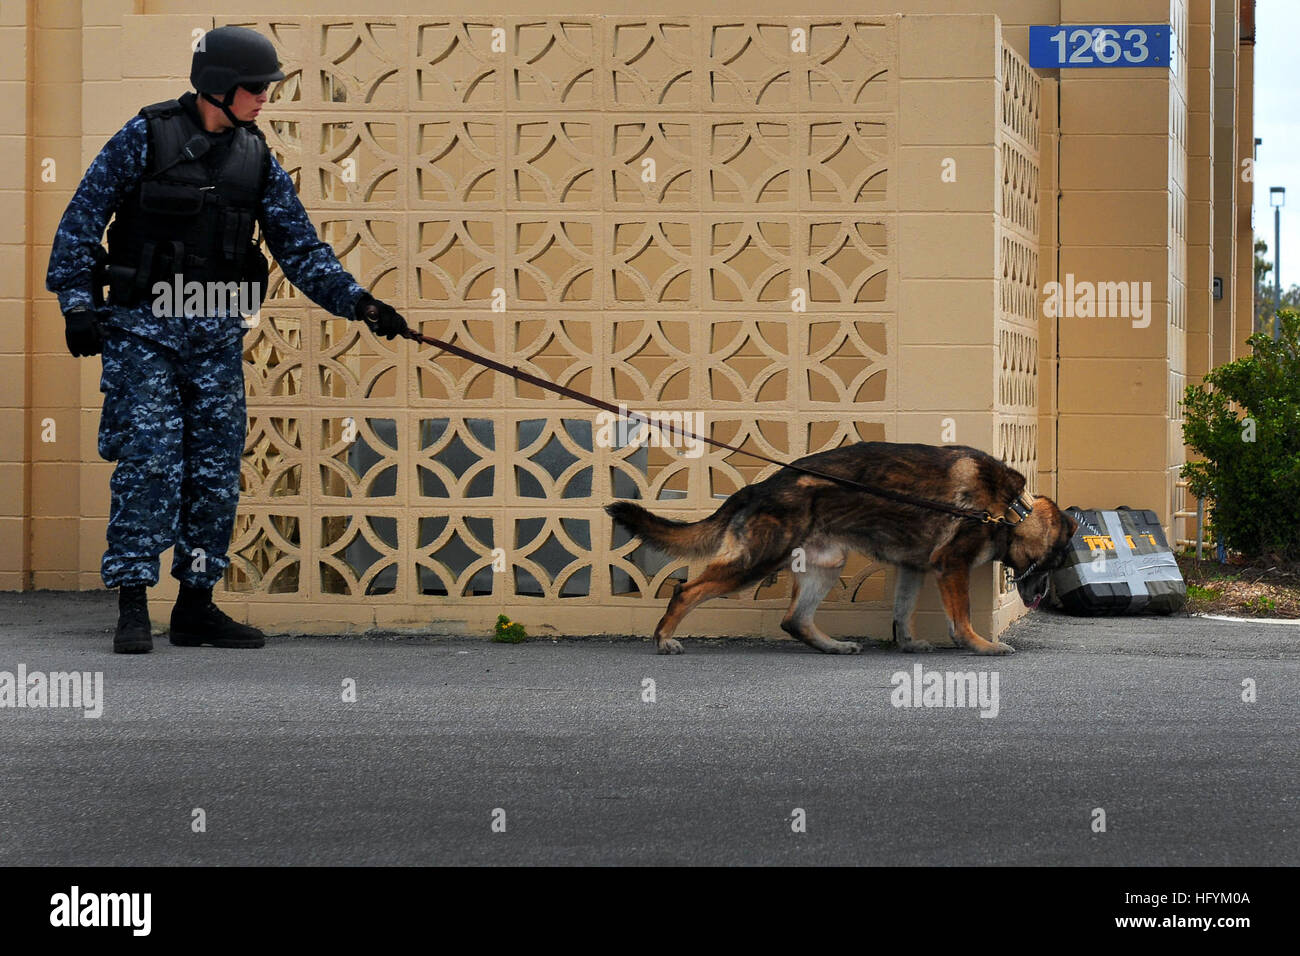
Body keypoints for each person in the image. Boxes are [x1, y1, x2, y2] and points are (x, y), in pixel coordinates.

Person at [46, 25, 409, 654]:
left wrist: (361, 304)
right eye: (257, 87)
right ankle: (133, 605)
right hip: (143, 332)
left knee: (214, 473)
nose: (265, 98)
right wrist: (78, 304)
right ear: (220, 86)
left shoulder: (255, 157)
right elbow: (80, 221)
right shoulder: (145, 136)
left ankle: (195, 607)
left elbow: (299, 247)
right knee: (150, 463)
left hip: (214, 337)